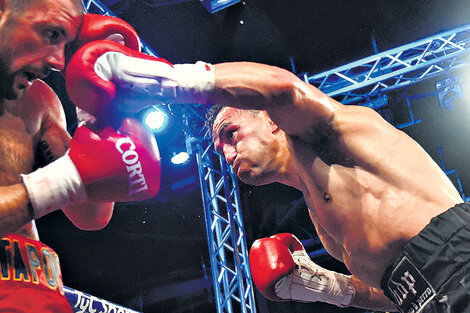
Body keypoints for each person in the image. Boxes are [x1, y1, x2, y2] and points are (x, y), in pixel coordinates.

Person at [64, 39, 470, 312]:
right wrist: (330, 286)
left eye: (230, 133)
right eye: (219, 147)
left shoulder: (335, 135)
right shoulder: (321, 223)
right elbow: (397, 294)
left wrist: (171, 83)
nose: (224, 153)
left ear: (273, 123)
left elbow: (283, 89)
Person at [0, 2, 161, 312]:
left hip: (39, 291)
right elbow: (68, 184)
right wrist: (61, 184)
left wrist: (98, 112)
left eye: (65, 44)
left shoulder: (39, 101)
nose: (59, 62)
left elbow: (90, 215)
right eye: (51, 34)